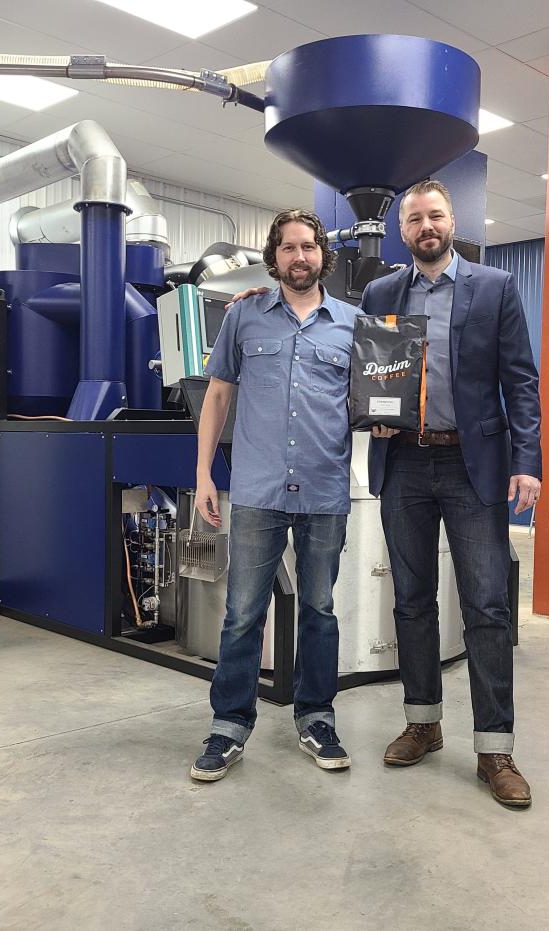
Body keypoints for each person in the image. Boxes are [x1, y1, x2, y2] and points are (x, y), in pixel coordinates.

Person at [365, 179, 542, 809]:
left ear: (452, 220)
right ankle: (423, 722)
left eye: (434, 216)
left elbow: (521, 381)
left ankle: (495, 748)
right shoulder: (383, 293)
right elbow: (374, 376)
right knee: (411, 601)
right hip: (405, 463)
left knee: (487, 605)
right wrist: (373, 415)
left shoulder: (494, 288)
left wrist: (528, 462)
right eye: (413, 220)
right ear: (403, 231)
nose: (424, 227)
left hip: (475, 468)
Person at [189, 208, 359, 782]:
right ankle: (229, 725)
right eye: (288, 248)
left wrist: (390, 418)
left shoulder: (353, 324)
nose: (299, 257)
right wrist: (204, 475)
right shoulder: (244, 318)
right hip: (259, 487)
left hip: (325, 488)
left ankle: (316, 716)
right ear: (274, 256)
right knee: (241, 615)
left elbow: (378, 398)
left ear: (322, 256)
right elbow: (216, 397)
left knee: (320, 610)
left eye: (308, 246)